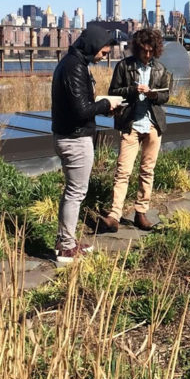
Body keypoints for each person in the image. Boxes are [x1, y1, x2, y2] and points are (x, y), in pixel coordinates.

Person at [51, 27, 124, 264]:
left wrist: (101, 103)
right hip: (75, 138)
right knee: (76, 192)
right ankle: (65, 247)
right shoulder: (74, 67)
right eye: (103, 52)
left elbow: (79, 104)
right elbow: (81, 110)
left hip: (70, 135)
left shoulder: (72, 63)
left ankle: (67, 241)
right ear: (93, 45)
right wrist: (105, 103)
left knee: (74, 191)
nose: (104, 57)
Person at [105, 28, 173, 231]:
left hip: (153, 125)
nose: (148, 54)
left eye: (152, 51)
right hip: (130, 124)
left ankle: (141, 213)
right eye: (144, 50)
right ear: (137, 48)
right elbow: (113, 93)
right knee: (123, 170)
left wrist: (153, 95)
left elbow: (165, 96)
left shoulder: (160, 69)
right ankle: (114, 215)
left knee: (147, 171)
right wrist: (133, 91)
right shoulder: (124, 67)